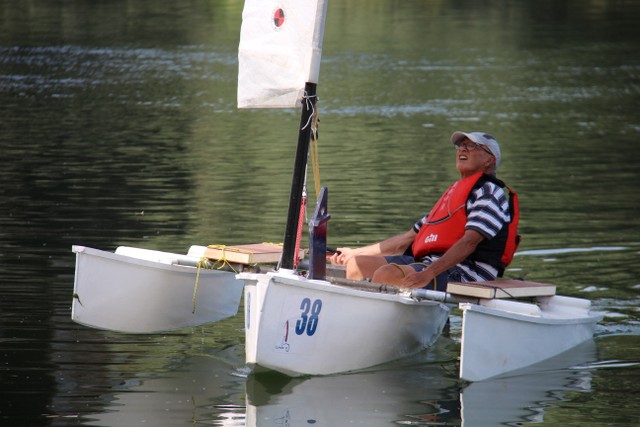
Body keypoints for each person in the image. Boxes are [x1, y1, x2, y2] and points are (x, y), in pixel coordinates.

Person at [330, 131, 520, 291]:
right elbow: (404, 241)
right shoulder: (453, 195)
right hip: (431, 264)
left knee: (386, 274)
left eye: (472, 146)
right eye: (461, 145)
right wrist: (353, 252)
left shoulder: (490, 193)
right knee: (358, 264)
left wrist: (428, 273)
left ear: (489, 160)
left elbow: (470, 242)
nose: (462, 149)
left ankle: (381, 324)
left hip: (466, 272)